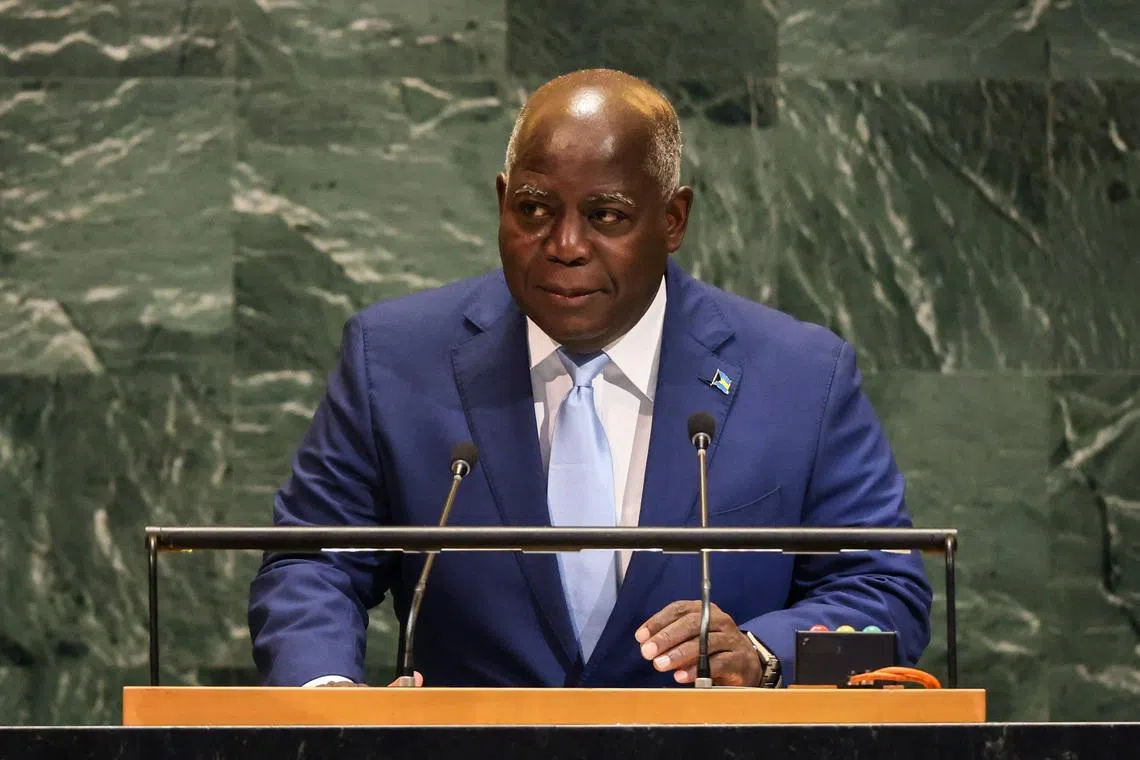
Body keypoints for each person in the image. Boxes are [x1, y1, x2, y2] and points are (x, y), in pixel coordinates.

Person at [248, 69, 932, 689]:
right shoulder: (393, 359)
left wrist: (761, 654)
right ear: (501, 202)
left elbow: (882, 591)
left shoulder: (801, 377)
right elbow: (311, 564)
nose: (566, 246)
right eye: (534, 209)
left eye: (606, 215)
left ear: (672, 219)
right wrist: (332, 705)